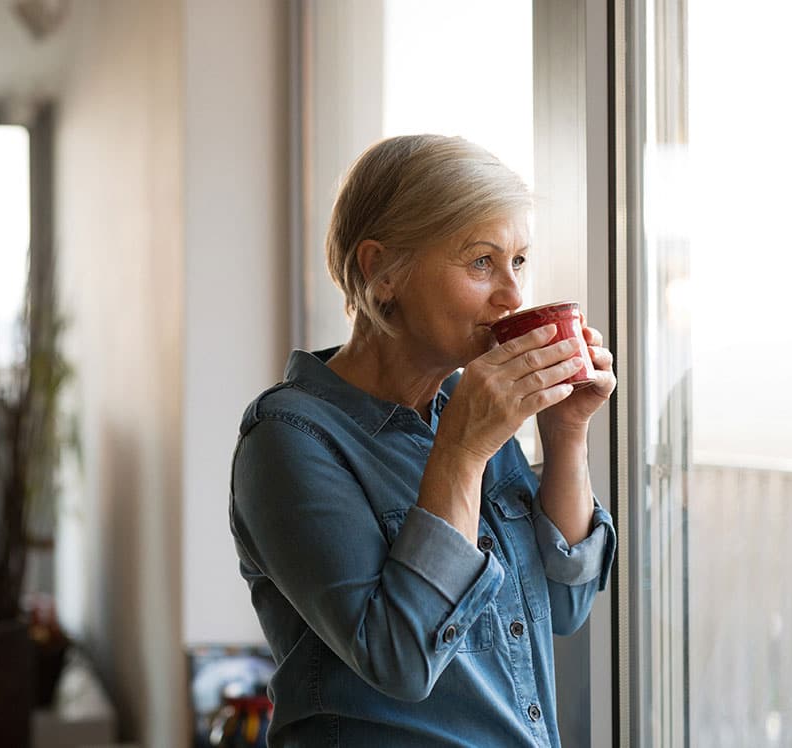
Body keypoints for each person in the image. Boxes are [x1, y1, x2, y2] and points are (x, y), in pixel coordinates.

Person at [229, 134, 617, 747]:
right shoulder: (289, 440)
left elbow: (565, 605)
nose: (513, 295)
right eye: (481, 262)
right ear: (381, 272)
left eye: (518, 261)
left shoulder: (463, 409)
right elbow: (401, 661)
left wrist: (567, 432)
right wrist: (461, 454)